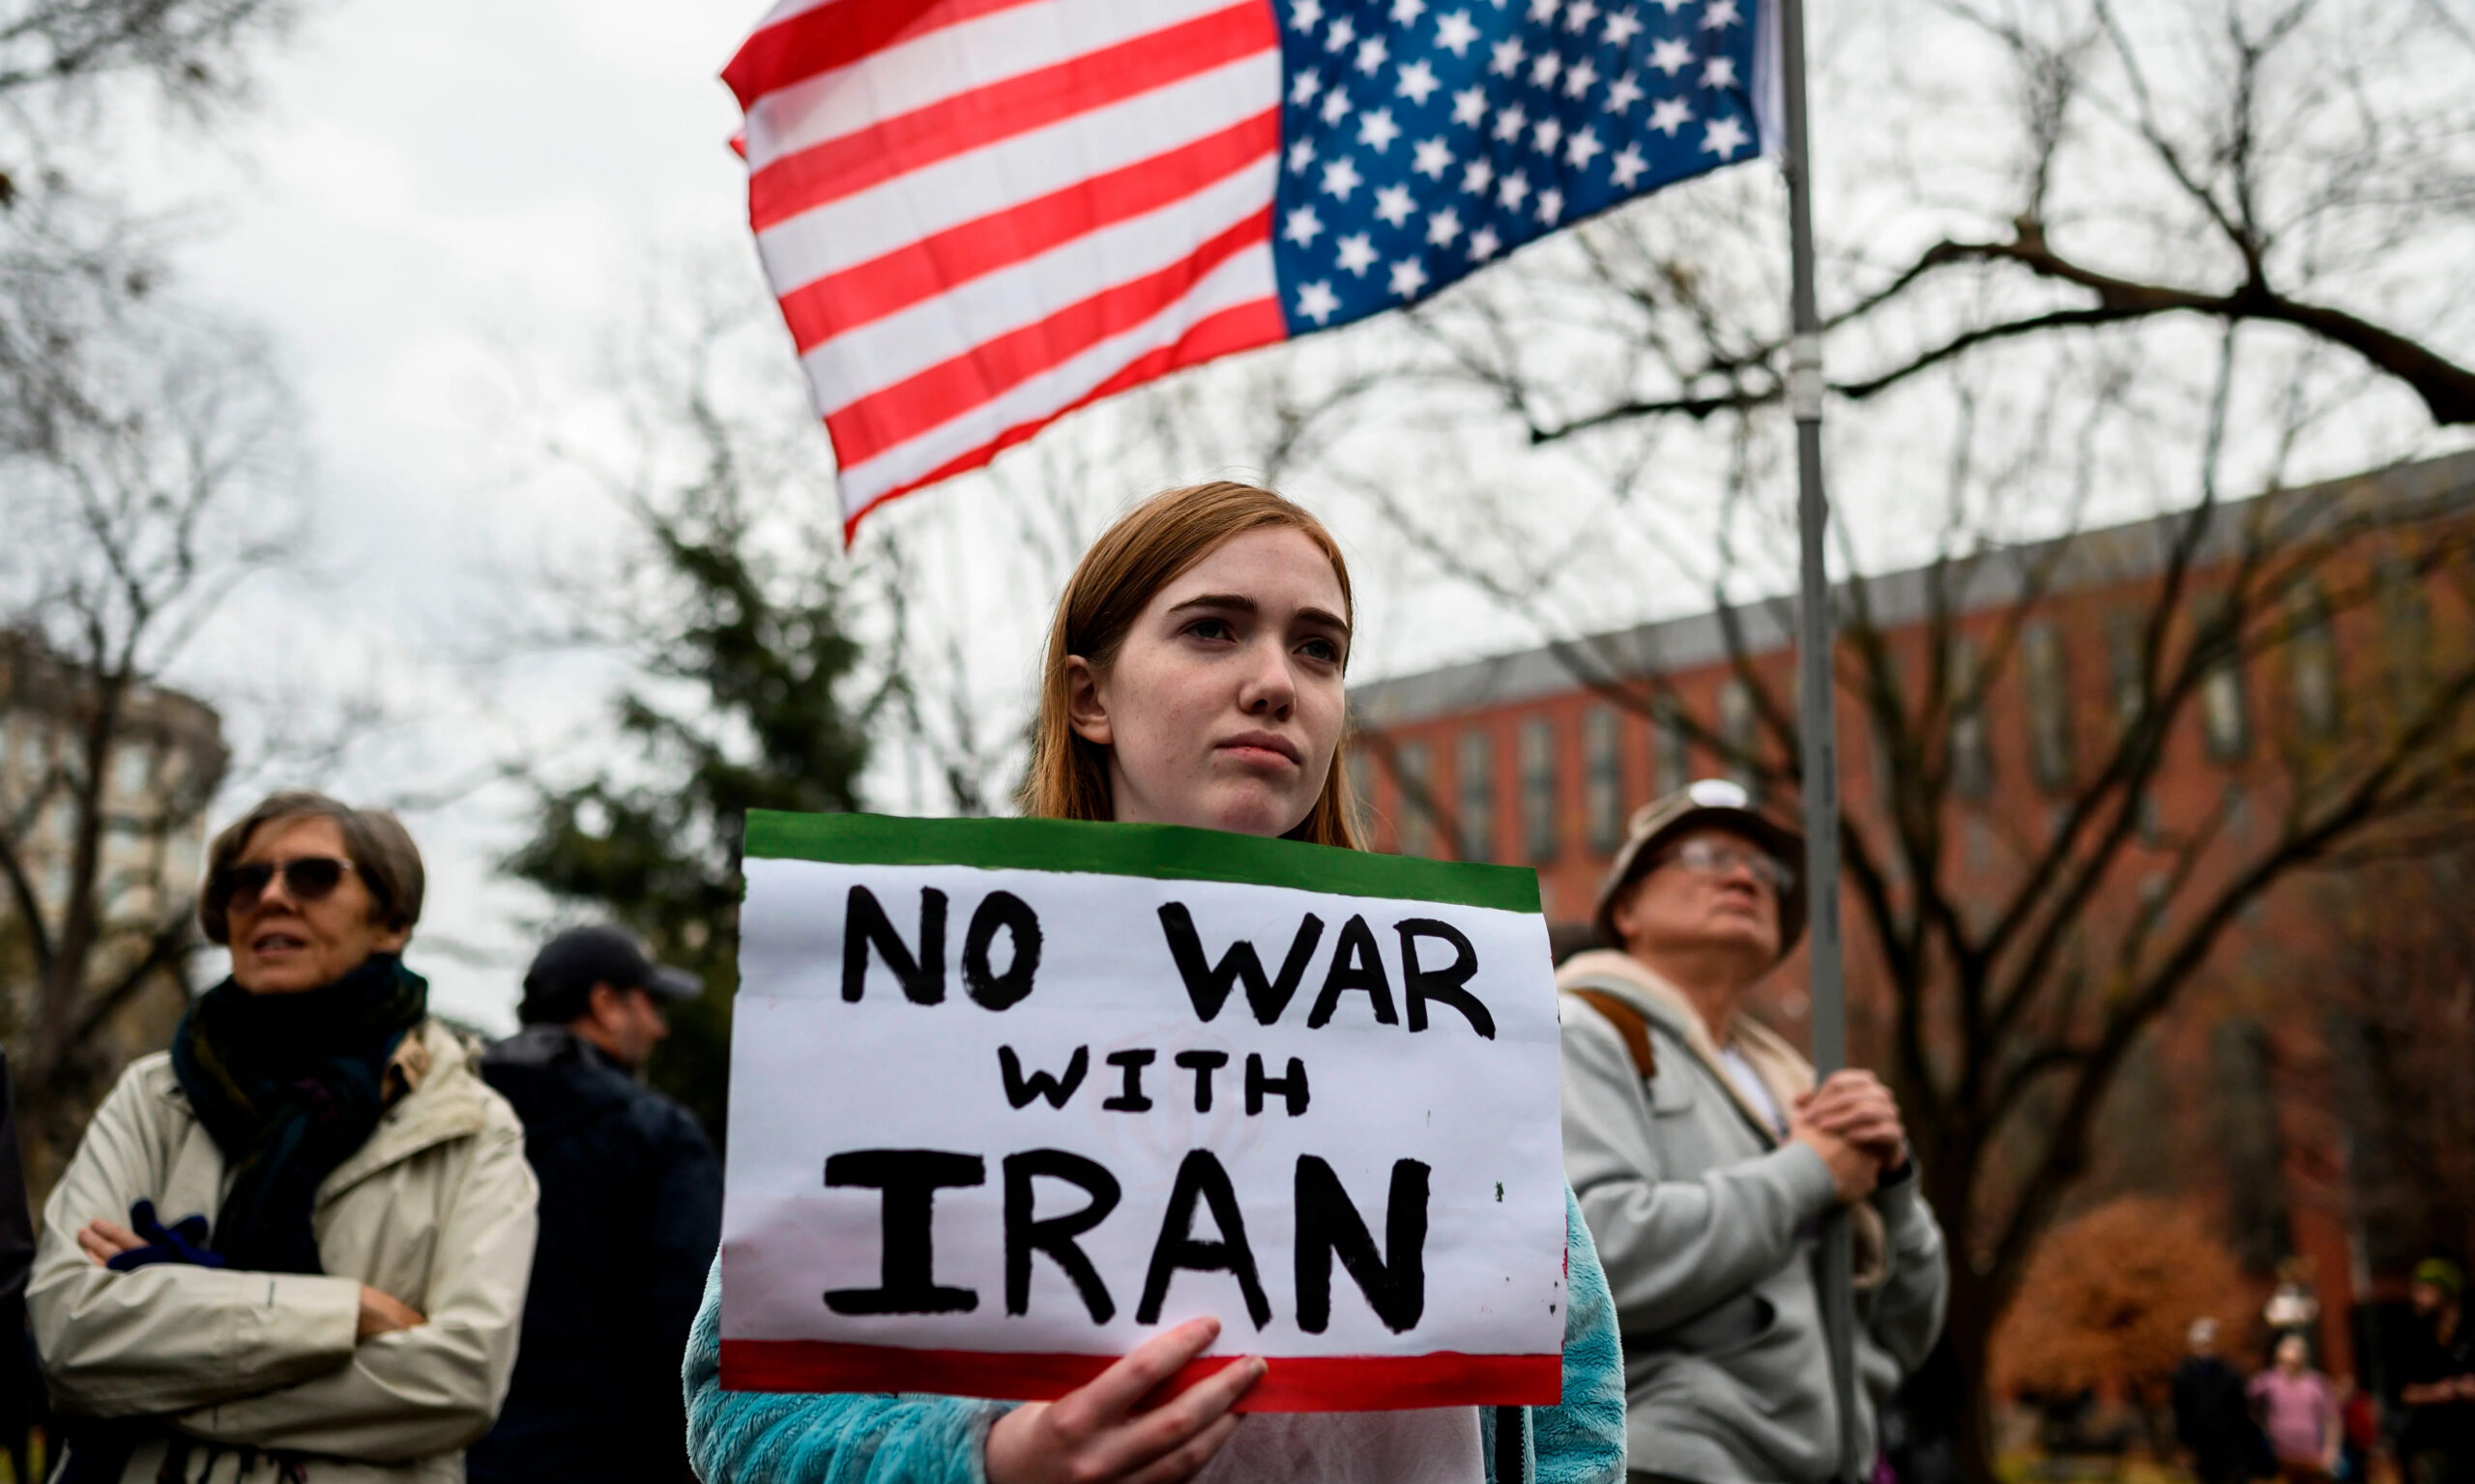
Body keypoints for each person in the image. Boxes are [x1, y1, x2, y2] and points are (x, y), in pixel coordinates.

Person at [684, 481, 1628, 1483]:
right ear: (1089, 697)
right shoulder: (919, 1005)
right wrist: (993, 1462)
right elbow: (745, 1411)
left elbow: (1574, 1398)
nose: (1276, 682)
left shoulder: (1437, 1012)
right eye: (1213, 629)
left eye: (1318, 648)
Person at [28, 791, 539, 1483]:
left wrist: (160, 1365)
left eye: (313, 876)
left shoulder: (469, 1126)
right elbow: (69, 1336)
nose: (271, 896)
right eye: (245, 882)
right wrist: (345, 1313)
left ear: (391, 922)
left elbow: (457, 1382)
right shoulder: (152, 1098)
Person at [1557, 778, 1949, 1484]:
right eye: (1705, 856)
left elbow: (1905, 1328)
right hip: (1674, 1464)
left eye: (1765, 870)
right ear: (1627, 908)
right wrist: (1809, 1173)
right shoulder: (1582, 1030)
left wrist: (1892, 1187)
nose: (1744, 876)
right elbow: (1594, 1259)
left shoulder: (1793, 1084)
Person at [465, 924, 721, 1484]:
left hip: (457, 1455)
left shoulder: (453, 1120)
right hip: (609, 1461)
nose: (659, 1028)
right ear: (606, 1004)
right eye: (651, 1005)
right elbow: (691, 1328)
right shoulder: (658, 1134)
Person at [2399, 1258, 2475, 1484]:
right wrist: (2437, 1392)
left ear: (2444, 1290)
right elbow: (2404, 1392)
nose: (2416, 1296)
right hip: (2433, 1442)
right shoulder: (2417, 1334)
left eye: (2424, 1289)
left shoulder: (2469, 1328)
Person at [2174, 1318, 2267, 1484]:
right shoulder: (2184, 1375)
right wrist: (2184, 1445)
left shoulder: (2230, 1374)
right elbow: (2181, 1412)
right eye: (2201, 1344)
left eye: (2209, 1343)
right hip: (2201, 1446)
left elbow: (2240, 1411)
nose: (2205, 1349)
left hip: (2230, 1446)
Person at [2251, 1334, 2342, 1483]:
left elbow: (2332, 1420)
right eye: (2284, 1361)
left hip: (2312, 1454)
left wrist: (2330, 1451)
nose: (2288, 1366)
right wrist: (2264, 1427)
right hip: (2280, 1455)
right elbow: (2250, 1402)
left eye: (2293, 1361)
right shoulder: (2269, 1382)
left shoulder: (2316, 1383)